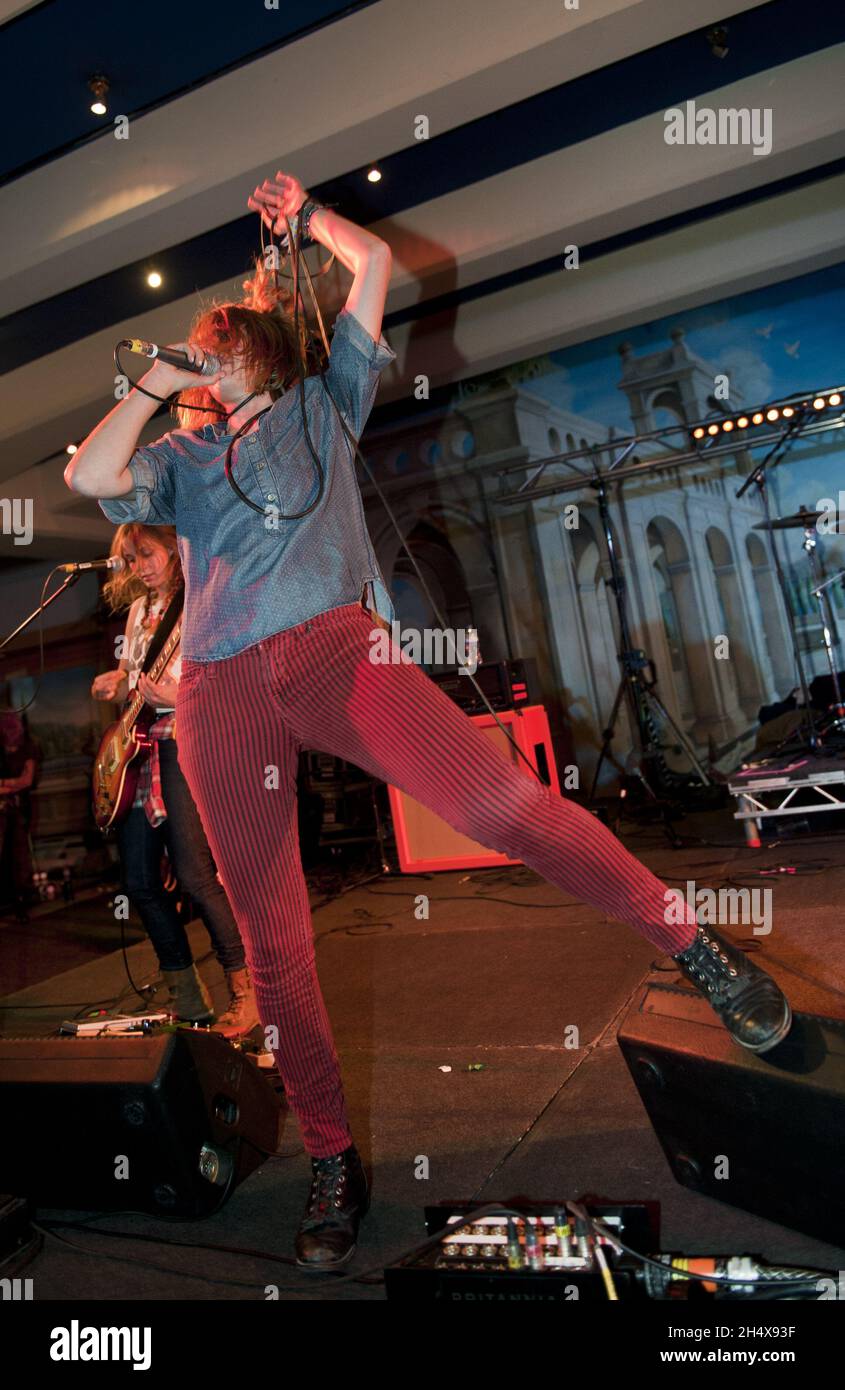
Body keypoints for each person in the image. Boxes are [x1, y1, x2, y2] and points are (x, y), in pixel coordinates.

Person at [66, 169, 793, 1272]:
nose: (200, 362)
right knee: (274, 938)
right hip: (219, 689)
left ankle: (693, 944)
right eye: (193, 354)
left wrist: (311, 219)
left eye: (212, 350)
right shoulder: (176, 462)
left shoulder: (323, 403)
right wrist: (156, 380)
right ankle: (331, 1157)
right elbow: (86, 470)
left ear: (255, 353)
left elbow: (378, 268)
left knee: (497, 803)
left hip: (333, 652)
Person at [92, 523, 258, 1037]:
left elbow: (226, 672)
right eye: (131, 559)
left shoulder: (202, 600)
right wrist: (119, 682)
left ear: (173, 550)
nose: (139, 567)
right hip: (138, 751)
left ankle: (246, 993)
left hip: (184, 738)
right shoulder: (139, 612)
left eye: (147, 554)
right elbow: (133, 677)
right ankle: (187, 999)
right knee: (139, 882)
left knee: (195, 875)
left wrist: (178, 692)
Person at [0, 711, 38, 922]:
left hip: (18, 810)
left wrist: (4, 785)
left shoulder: (28, 748)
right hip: (5, 810)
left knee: (18, 856)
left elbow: (27, 781)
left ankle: (20, 902)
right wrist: (11, 785)